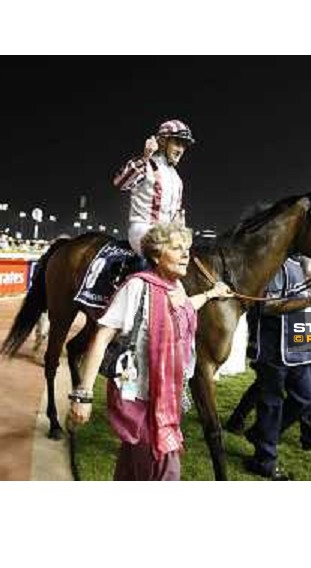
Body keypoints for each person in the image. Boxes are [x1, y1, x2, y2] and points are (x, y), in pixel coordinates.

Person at [69, 222, 232, 480]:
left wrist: (212, 293)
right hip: (140, 402)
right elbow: (101, 336)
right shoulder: (137, 287)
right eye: (177, 248)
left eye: (187, 248)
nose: (185, 254)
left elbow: (186, 307)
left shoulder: (176, 288)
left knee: (133, 470)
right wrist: (83, 396)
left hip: (167, 399)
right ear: (156, 255)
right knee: (165, 470)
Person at [241, 255, 311, 480]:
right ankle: (264, 460)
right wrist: (310, 301)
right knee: (271, 405)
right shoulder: (274, 264)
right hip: (275, 350)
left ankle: (261, 434)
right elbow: (268, 307)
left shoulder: (298, 266)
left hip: (299, 350)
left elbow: (305, 309)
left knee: (306, 399)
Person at [113, 119, 195, 255]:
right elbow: (120, 183)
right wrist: (145, 157)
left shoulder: (177, 178)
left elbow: (176, 214)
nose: (181, 150)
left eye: (184, 145)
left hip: (167, 235)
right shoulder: (146, 164)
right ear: (162, 141)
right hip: (143, 231)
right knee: (169, 254)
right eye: (177, 143)